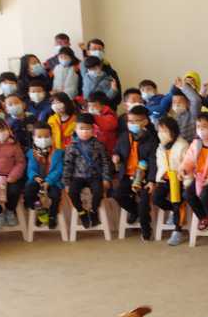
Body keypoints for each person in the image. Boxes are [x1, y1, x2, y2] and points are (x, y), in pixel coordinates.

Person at [113, 105, 158, 241]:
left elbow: (153, 161)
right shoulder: (124, 136)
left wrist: (151, 180)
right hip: (127, 175)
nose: (131, 124)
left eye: (135, 121)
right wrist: (115, 156)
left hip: (143, 176)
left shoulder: (152, 139)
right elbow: (117, 150)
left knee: (144, 200)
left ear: (145, 122)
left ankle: (146, 229)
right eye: (130, 121)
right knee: (118, 195)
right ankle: (135, 211)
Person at [62, 113, 113, 228]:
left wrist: (106, 178)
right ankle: (81, 212)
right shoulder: (72, 146)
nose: (84, 131)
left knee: (98, 191)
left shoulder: (99, 145)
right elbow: (67, 165)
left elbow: (106, 162)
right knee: (72, 192)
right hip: (77, 177)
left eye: (88, 128)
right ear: (76, 129)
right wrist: (66, 182)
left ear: (93, 129)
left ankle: (94, 211)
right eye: (81, 128)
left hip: (94, 175)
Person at [152, 116, 190, 246]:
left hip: (179, 179)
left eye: (164, 131)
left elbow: (187, 165)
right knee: (156, 198)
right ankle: (174, 212)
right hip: (165, 179)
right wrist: (159, 178)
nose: (161, 134)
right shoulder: (160, 147)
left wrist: (186, 183)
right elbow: (160, 165)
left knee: (177, 202)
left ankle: (177, 231)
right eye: (159, 131)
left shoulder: (183, 145)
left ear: (173, 131)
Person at [23, 124, 64, 229]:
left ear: (51, 137)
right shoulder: (32, 153)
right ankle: (40, 210)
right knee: (28, 192)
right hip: (37, 180)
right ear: (33, 138)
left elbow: (59, 170)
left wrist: (48, 181)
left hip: (53, 181)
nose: (43, 140)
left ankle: (52, 215)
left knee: (55, 195)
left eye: (46, 137)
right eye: (39, 137)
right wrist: (35, 176)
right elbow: (30, 168)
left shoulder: (58, 153)